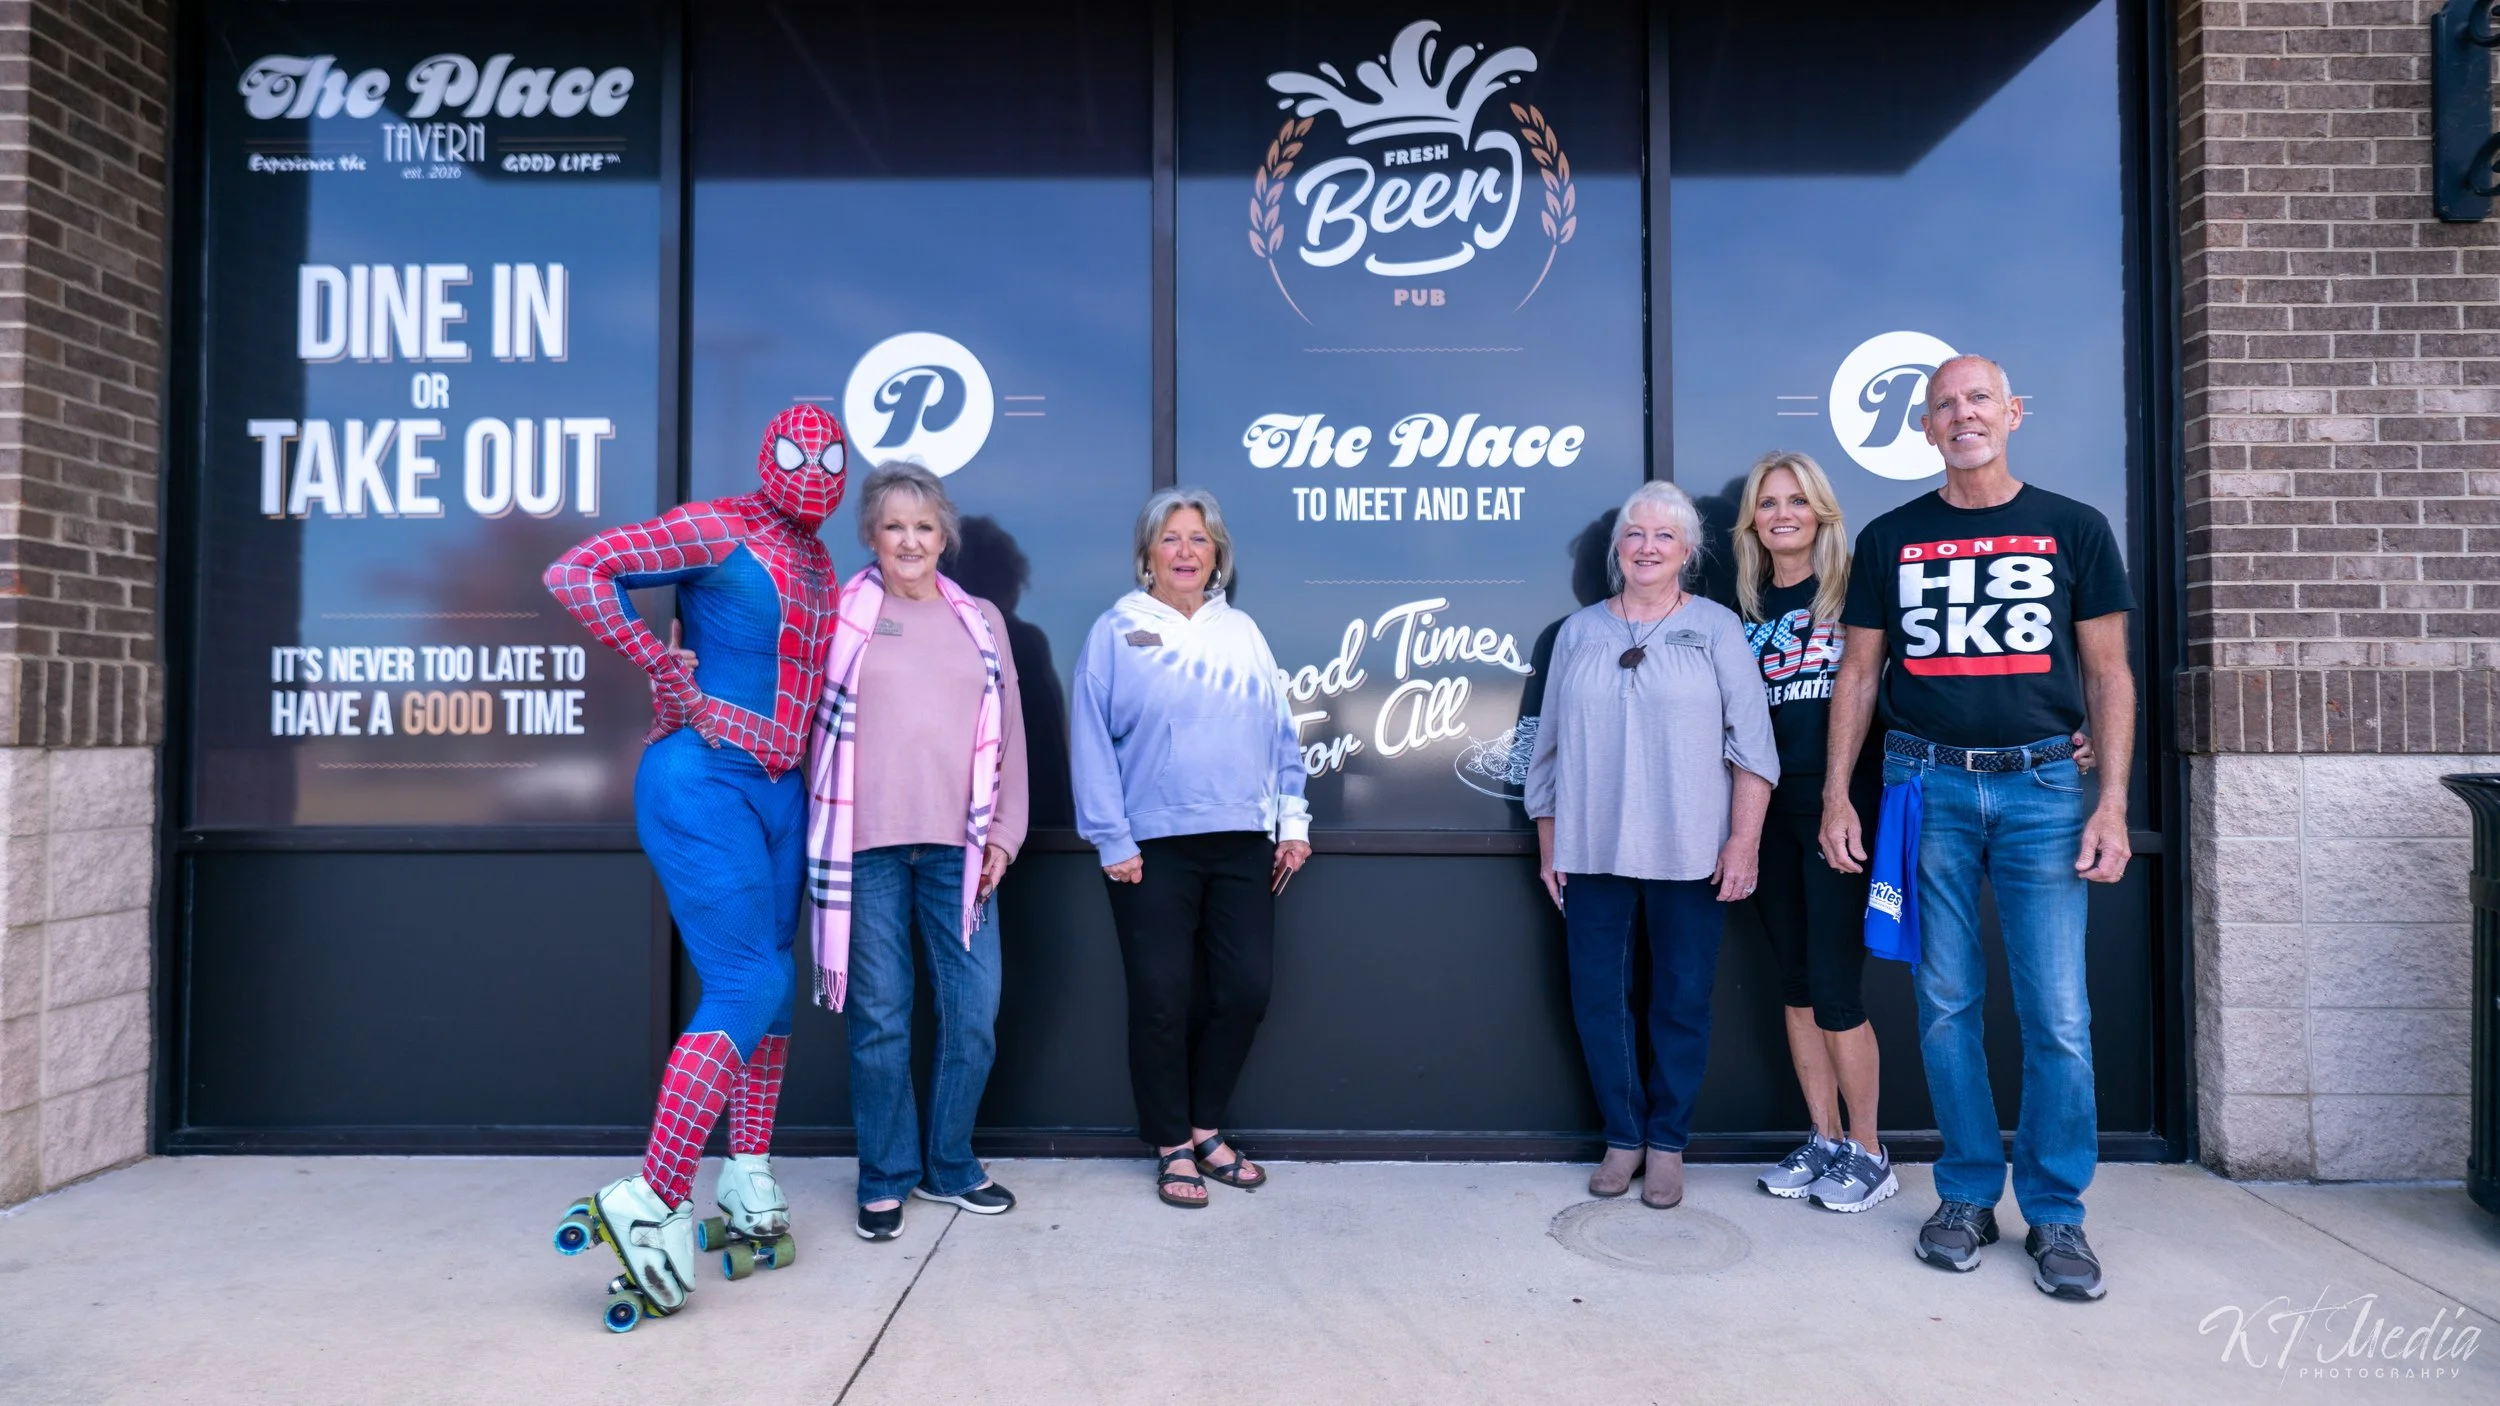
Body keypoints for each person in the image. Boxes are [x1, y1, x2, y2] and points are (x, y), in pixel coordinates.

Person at [1820, 355, 2136, 1301]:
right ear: (1924, 426)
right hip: (1927, 789)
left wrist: (2111, 802)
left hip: (2044, 791)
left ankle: (2055, 1213)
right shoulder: (1891, 537)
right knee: (1946, 1002)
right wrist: (1841, 793)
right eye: (1945, 404)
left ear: (2013, 412)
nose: (1963, 415)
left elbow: (2110, 675)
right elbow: (1861, 675)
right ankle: (1964, 1193)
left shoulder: (2073, 528)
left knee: (2061, 1016)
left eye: (1979, 400)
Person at [543, 403, 847, 1317]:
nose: (815, 468)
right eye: (799, 451)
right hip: (703, 776)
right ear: (767, 453)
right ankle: (652, 1195)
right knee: (747, 984)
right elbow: (578, 570)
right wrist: (657, 666)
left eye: (832, 455)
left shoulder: (823, 562)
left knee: (775, 982)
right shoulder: (721, 525)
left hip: (782, 788)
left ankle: (746, 1172)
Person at [1527, 479, 1778, 1211]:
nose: (1647, 547)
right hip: (1593, 851)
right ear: (1617, 548)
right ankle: (1622, 1135)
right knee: (1598, 1002)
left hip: (1691, 853)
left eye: (1664, 536)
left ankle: (1668, 1144)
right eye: (1635, 534)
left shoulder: (1717, 628)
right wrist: (1550, 845)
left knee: (1680, 1003)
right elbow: (1545, 752)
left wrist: (1743, 843)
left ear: (1688, 552)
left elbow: (1753, 747)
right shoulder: (1579, 634)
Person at [800, 463, 1029, 1243]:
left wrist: (1004, 835)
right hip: (862, 850)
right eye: (895, 525)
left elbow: (1014, 744)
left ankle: (952, 1163)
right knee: (881, 1022)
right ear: (871, 534)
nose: (910, 540)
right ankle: (887, 1175)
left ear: (944, 537)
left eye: (925, 527)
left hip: (958, 852)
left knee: (973, 1014)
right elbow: (788, 709)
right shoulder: (839, 617)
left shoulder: (982, 621)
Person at [1071, 487, 1311, 1209]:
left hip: (1242, 839)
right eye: (1170, 539)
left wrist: (1292, 823)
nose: (1185, 552)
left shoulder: (1243, 632)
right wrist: (1111, 837)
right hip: (1150, 847)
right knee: (1161, 1000)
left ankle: (1206, 1127)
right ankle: (1171, 1143)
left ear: (1217, 555)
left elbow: (1281, 733)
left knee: (1244, 991)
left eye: (1198, 540)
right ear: (1147, 554)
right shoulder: (1117, 631)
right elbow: (1088, 739)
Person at [1731, 451, 1896, 1213]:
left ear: (1822, 511)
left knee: (1835, 987)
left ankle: (1869, 1151)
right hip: (1770, 814)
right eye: (1768, 503)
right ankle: (1823, 1138)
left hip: (1844, 809)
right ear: (1753, 522)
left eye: (1797, 500)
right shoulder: (1741, 605)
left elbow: (1915, 687)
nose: (1783, 513)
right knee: (1795, 985)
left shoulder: (1860, 589)